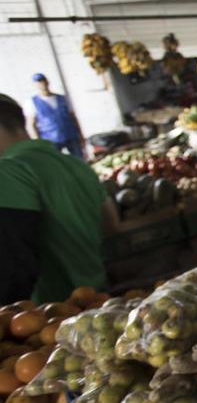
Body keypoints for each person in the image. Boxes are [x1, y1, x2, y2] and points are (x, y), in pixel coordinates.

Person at [0, 95, 117, 304]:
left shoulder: (8, 172)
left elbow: (14, 263)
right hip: (97, 294)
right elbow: (110, 224)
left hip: (51, 314)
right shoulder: (74, 164)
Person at [30, 73, 85, 158]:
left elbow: (72, 116)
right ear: (35, 85)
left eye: (43, 80)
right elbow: (31, 124)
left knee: (79, 160)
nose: (42, 84)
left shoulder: (62, 98)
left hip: (70, 135)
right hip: (50, 140)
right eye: (38, 82)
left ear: (47, 81)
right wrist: (38, 143)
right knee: (56, 165)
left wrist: (80, 134)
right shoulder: (32, 102)